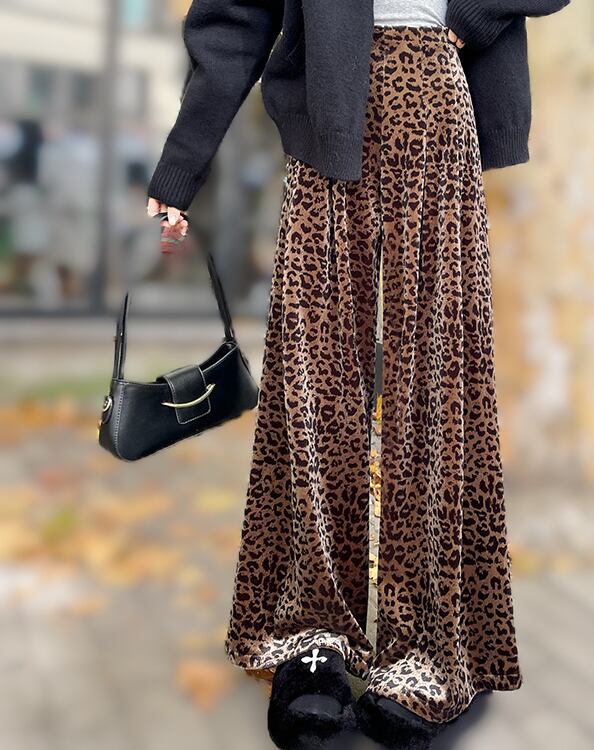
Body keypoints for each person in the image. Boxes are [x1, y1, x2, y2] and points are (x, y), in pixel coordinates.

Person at [147, 1, 570, 748]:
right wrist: (185, 160)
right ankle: (310, 638)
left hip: (439, 102)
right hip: (324, 115)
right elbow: (236, 16)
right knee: (313, 382)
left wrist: (476, 11)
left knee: (436, 385)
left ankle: (431, 649)